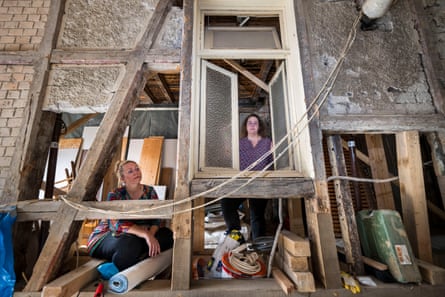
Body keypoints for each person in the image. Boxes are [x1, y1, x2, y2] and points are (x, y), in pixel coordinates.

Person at [87, 160, 174, 276]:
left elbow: (156, 219)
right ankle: (120, 266)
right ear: (123, 178)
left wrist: (151, 235)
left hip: (138, 236)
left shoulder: (150, 192)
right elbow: (116, 224)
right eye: (130, 171)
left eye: (137, 169)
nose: (136, 172)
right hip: (108, 236)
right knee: (129, 242)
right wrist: (145, 234)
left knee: (166, 235)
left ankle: (126, 263)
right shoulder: (115, 194)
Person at [221, 113, 274, 241]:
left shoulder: (268, 143)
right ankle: (235, 235)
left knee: (257, 214)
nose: (252, 125)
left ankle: (259, 246)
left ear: (259, 126)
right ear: (245, 126)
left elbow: (272, 163)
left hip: (261, 183)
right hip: (242, 182)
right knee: (227, 202)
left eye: (255, 123)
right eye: (249, 123)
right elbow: (232, 161)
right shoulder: (239, 143)